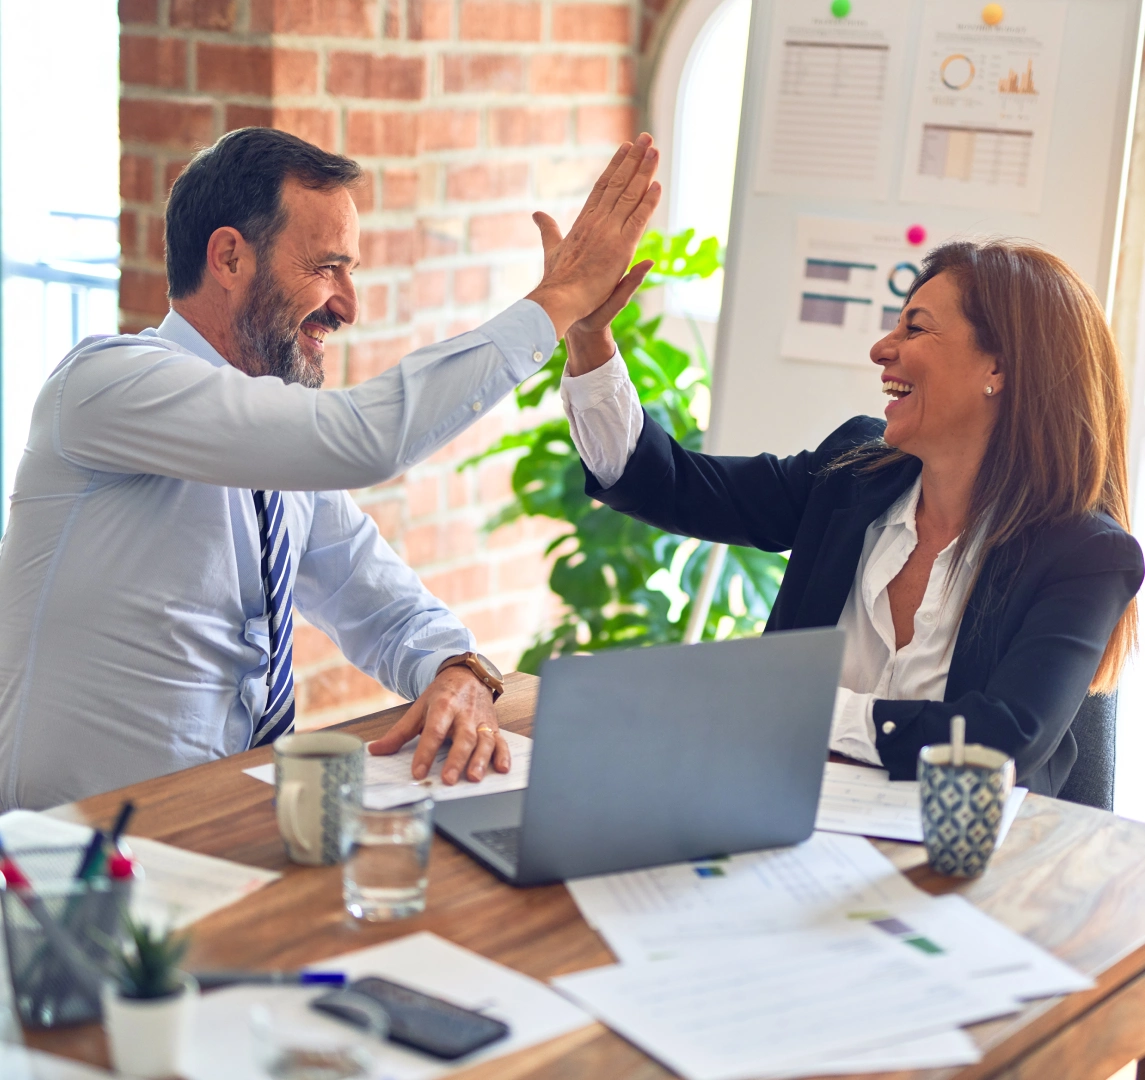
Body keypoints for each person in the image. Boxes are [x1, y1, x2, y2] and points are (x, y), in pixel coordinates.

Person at [0, 126, 661, 810]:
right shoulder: (108, 384)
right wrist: (556, 303)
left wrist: (457, 669)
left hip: (221, 830)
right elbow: (364, 440)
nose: (348, 305)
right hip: (69, 860)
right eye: (326, 268)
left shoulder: (273, 448)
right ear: (228, 257)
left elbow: (379, 601)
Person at [559, 239, 1144, 796]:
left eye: (914, 327)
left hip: (970, 867)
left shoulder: (1086, 554)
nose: (881, 349)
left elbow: (999, 743)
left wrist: (801, 707)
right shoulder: (853, 473)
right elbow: (673, 485)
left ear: (999, 368)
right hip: (788, 822)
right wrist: (589, 339)